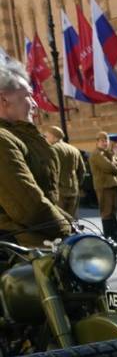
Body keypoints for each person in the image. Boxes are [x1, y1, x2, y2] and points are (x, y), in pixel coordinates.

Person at [0, 59, 73, 247]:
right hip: (17, 248)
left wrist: (70, 223)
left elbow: (44, 196)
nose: (34, 103)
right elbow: (26, 204)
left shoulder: (17, 135)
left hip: (34, 237)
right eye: (28, 96)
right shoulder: (2, 139)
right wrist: (67, 231)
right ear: (3, 99)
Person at [88, 132, 117, 240]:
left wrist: (114, 160)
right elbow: (110, 168)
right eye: (102, 141)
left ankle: (114, 233)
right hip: (103, 186)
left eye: (106, 141)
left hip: (112, 185)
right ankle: (108, 234)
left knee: (113, 210)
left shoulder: (108, 154)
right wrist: (115, 164)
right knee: (106, 211)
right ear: (97, 142)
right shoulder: (97, 154)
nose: (105, 143)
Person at [44, 126, 86, 219]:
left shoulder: (52, 149)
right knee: (73, 218)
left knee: (61, 219)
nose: (45, 139)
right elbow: (82, 170)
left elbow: (49, 171)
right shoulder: (74, 149)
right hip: (74, 189)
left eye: (47, 136)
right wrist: (78, 184)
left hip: (59, 191)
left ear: (54, 137)